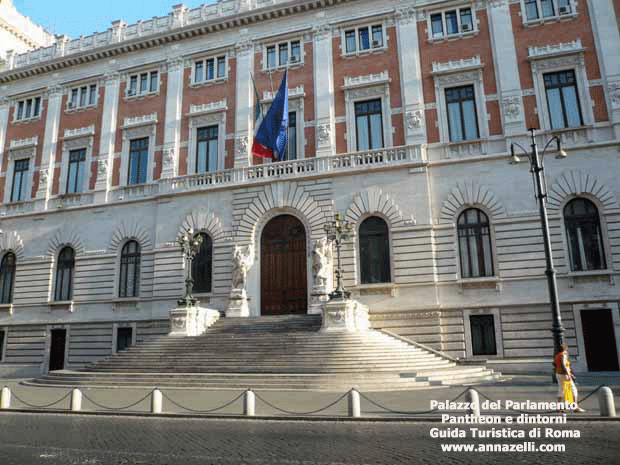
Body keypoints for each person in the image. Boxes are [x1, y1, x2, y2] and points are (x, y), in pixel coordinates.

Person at [554, 343, 585, 412]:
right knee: (573, 389)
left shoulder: (557, 356)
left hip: (558, 374)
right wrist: (569, 374)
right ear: (565, 348)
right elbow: (564, 365)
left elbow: (556, 365)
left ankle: (559, 407)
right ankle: (575, 407)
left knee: (561, 390)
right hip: (564, 374)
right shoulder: (563, 355)